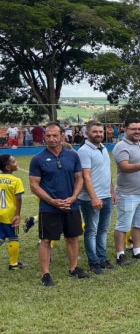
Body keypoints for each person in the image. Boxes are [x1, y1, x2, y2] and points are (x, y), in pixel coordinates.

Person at [29, 122, 87, 286]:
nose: (51, 139)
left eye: (55, 135)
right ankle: (45, 274)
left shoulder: (72, 156)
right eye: (48, 136)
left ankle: (73, 268)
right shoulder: (38, 159)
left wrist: (74, 197)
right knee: (46, 241)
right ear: (44, 137)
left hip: (71, 205)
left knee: (73, 237)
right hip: (49, 208)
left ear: (62, 136)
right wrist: (52, 201)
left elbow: (79, 178)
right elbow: (34, 185)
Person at [77, 121, 116, 274]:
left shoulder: (104, 148)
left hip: (106, 197)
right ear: (87, 133)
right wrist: (94, 197)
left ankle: (102, 258)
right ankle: (93, 262)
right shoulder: (84, 151)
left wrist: (111, 191)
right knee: (92, 230)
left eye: (101, 131)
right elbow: (85, 176)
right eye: (95, 132)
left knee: (103, 230)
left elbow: (106, 173)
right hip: (90, 199)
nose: (99, 134)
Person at [112, 117, 140, 265]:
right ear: (125, 129)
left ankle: (137, 250)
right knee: (123, 225)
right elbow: (123, 166)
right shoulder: (121, 146)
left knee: (139, 224)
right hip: (127, 193)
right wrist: (139, 167)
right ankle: (120, 254)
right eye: (134, 129)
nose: (137, 131)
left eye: (139, 129)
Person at [0, 154, 25, 270]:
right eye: (14, 162)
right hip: (9, 213)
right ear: (8, 167)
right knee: (13, 238)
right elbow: (18, 198)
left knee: (1, 235)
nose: (17, 163)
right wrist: (17, 215)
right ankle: (13, 264)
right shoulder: (16, 180)